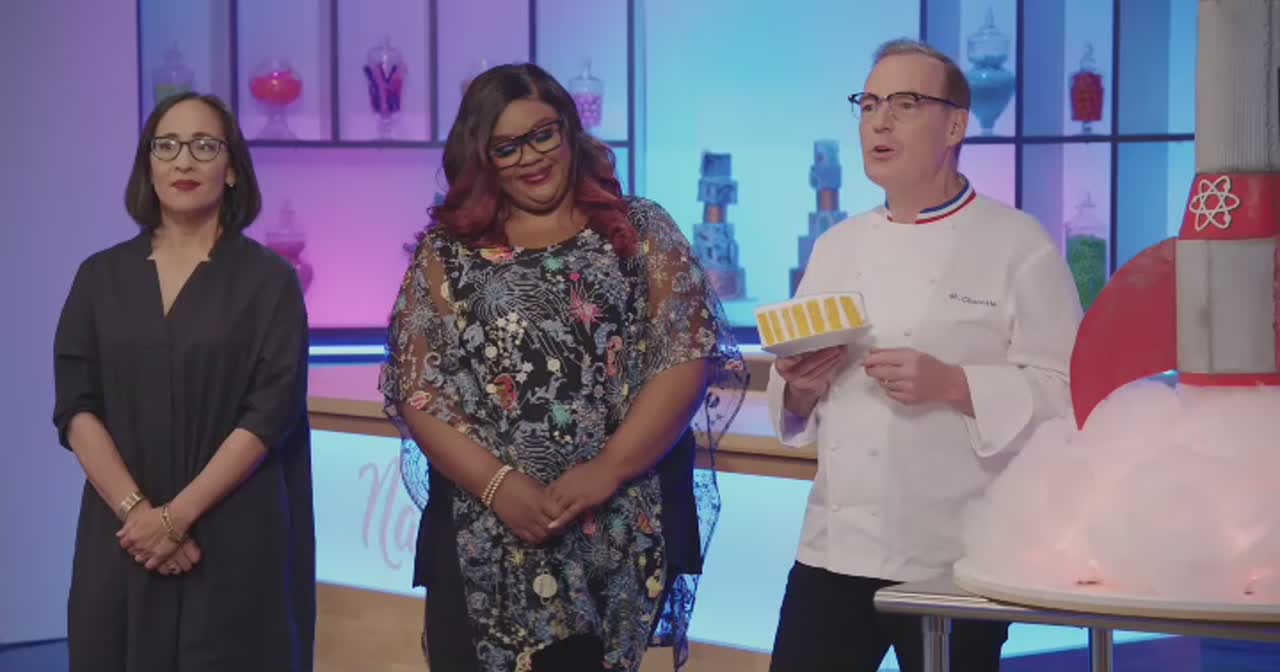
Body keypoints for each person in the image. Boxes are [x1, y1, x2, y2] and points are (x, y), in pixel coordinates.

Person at [380, 62, 747, 672]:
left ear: (569, 130)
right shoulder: (445, 252)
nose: (531, 156)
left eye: (543, 134)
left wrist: (608, 469)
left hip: (616, 523)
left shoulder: (640, 229)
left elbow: (686, 357)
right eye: (507, 146)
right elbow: (421, 391)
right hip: (482, 534)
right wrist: (499, 487)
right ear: (483, 157)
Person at [766, 39, 1083, 672]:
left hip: (955, 558)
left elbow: (1069, 395)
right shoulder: (837, 245)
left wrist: (955, 384)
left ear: (955, 126)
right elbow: (795, 394)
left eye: (905, 104)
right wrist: (800, 385)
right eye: (869, 105)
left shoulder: (1018, 244)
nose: (879, 123)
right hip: (833, 550)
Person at [52, 92, 315, 671]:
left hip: (231, 534)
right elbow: (77, 406)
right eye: (166, 146)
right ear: (148, 164)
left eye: (204, 146)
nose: (184, 161)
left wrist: (176, 519)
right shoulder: (99, 276)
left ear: (232, 168)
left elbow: (269, 414)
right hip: (122, 538)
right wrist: (140, 517)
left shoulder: (271, 282)